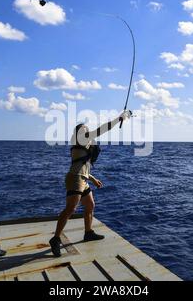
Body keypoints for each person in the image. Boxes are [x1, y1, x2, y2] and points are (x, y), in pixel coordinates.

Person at [49, 110, 132, 257]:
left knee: (90, 205)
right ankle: (55, 239)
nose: (87, 129)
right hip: (75, 179)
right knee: (70, 209)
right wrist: (120, 118)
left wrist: (92, 179)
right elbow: (103, 129)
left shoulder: (83, 145)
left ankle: (88, 233)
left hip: (83, 179)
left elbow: (82, 166)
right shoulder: (80, 138)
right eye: (84, 128)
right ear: (79, 132)